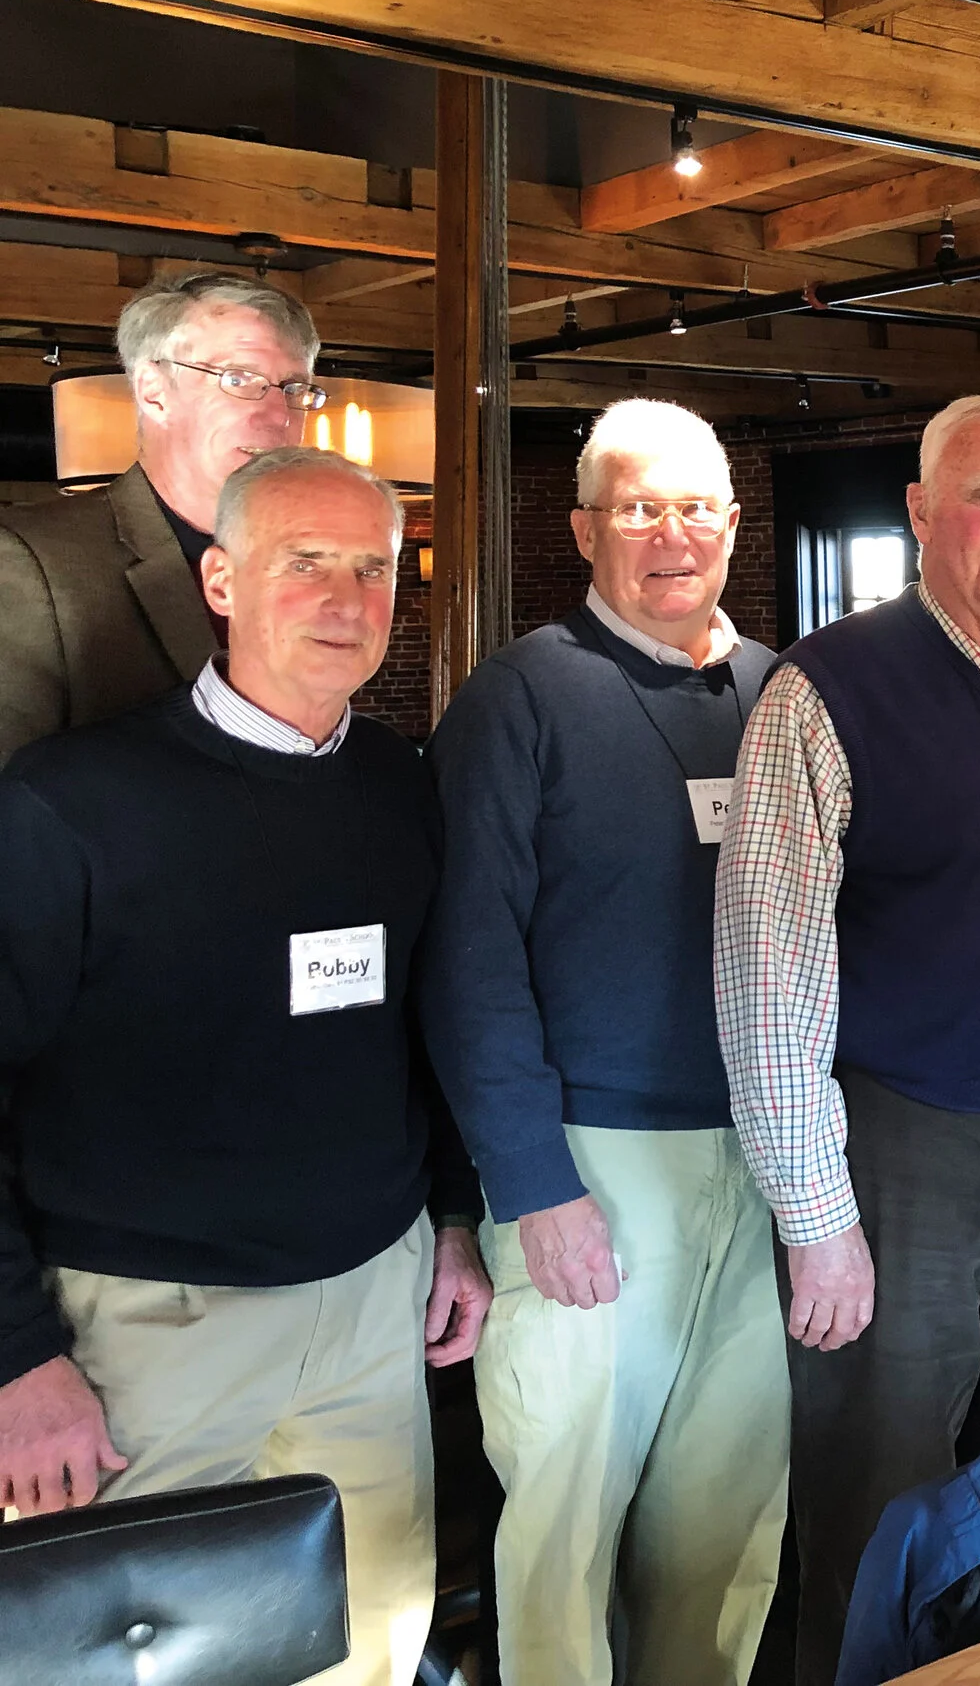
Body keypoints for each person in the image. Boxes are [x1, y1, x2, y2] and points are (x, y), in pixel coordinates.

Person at [0, 446, 489, 1686]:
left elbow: (423, 1029)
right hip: (147, 1334)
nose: (344, 599)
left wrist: (450, 1221)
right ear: (219, 581)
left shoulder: (400, 787)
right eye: (303, 562)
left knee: (377, 1635)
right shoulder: (73, 801)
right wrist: (14, 1359)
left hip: (371, 1312)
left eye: (372, 569)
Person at [714, 394, 980, 1675]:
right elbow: (768, 966)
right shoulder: (828, 689)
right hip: (906, 1150)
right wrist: (814, 1215)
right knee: (880, 1492)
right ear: (918, 512)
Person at [420, 401, 784, 1685]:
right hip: (591, 1169)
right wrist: (534, 1188)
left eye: (693, 509)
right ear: (584, 531)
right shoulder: (518, 699)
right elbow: (467, 966)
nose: (670, 536)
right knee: (564, 1530)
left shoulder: (779, 694)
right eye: (638, 509)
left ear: (731, 526)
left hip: (766, 1159)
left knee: (727, 1527)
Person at [0, 269, 321, 761]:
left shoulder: (311, 562)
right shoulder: (30, 562)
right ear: (154, 391)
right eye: (240, 379)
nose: (279, 414)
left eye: (294, 387)